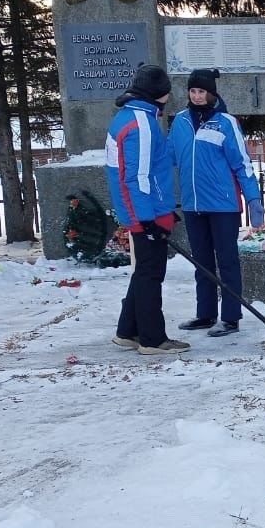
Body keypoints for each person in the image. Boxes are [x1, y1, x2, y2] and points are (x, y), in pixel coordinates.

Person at [168, 68, 265, 337]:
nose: (197, 96)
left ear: (212, 94)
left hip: (223, 206)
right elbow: (168, 159)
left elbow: (242, 164)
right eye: (193, 91)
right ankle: (206, 314)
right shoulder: (179, 122)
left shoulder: (226, 123)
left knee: (227, 261)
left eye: (202, 92)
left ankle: (231, 317)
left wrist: (253, 198)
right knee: (201, 263)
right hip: (193, 206)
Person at [104, 64, 189, 355]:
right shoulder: (142, 125)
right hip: (145, 213)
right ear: (161, 94)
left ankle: (127, 332)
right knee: (151, 275)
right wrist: (148, 218)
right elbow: (136, 177)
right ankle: (153, 339)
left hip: (145, 209)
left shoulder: (127, 116)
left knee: (143, 272)